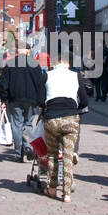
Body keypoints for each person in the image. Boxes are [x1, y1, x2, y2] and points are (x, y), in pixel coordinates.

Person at [41, 57, 90, 202]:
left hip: (52, 118)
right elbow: (85, 100)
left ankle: (51, 188)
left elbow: (39, 99)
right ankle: (67, 193)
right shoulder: (75, 76)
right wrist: (76, 110)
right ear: (68, 64)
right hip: (71, 117)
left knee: (53, 155)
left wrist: (44, 107)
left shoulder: (47, 75)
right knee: (68, 155)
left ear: (55, 64)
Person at [0, 46, 47, 161]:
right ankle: (28, 146)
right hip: (31, 99)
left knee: (16, 124)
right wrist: (41, 101)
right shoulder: (35, 65)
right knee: (28, 124)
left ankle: (19, 153)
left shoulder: (11, 64)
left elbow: (4, 83)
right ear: (28, 52)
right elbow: (40, 84)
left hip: (15, 99)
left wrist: (3, 99)